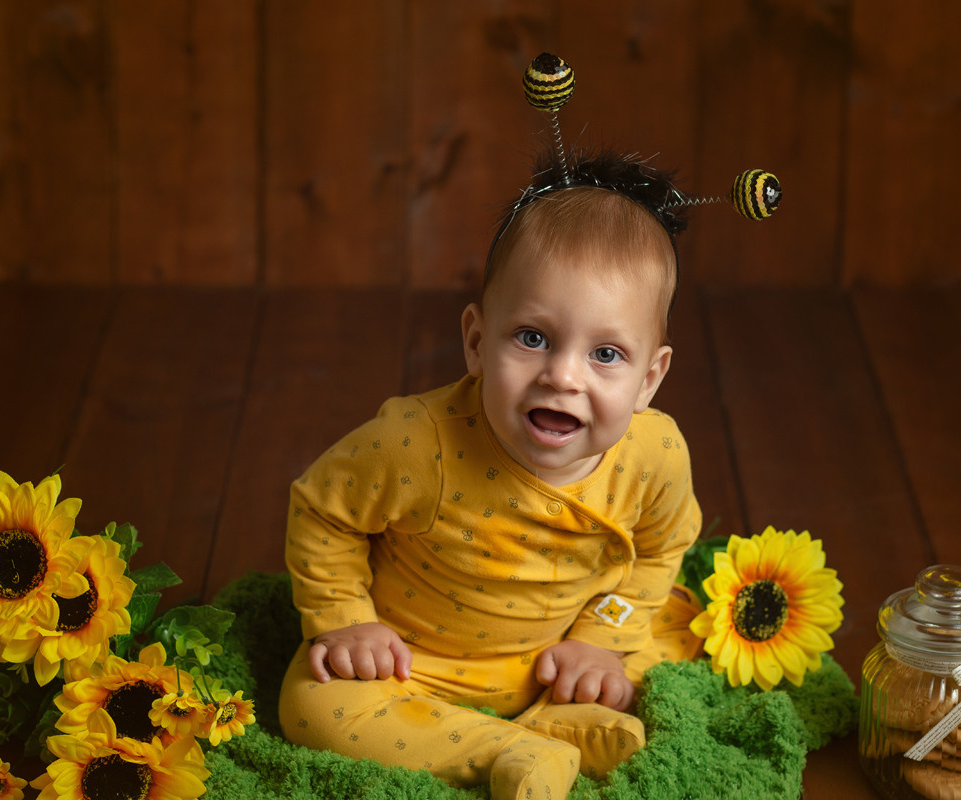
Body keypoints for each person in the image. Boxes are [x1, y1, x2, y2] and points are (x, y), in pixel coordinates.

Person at [278, 152, 704, 800]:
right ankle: (512, 749)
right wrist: (345, 619)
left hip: (562, 657)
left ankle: (563, 711)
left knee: (676, 625)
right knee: (311, 704)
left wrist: (603, 642)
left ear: (649, 378)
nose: (563, 376)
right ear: (477, 342)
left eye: (606, 353)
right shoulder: (417, 445)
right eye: (532, 338)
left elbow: (663, 547)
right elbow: (322, 508)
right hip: (414, 659)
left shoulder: (656, 454)